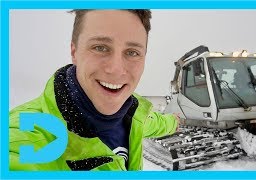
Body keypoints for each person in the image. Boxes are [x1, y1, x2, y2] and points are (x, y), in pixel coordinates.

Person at [9, 10, 180, 171]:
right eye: (100, 47)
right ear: (74, 52)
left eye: (132, 52)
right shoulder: (25, 133)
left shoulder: (133, 114)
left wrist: (174, 122)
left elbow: (156, 123)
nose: (116, 69)